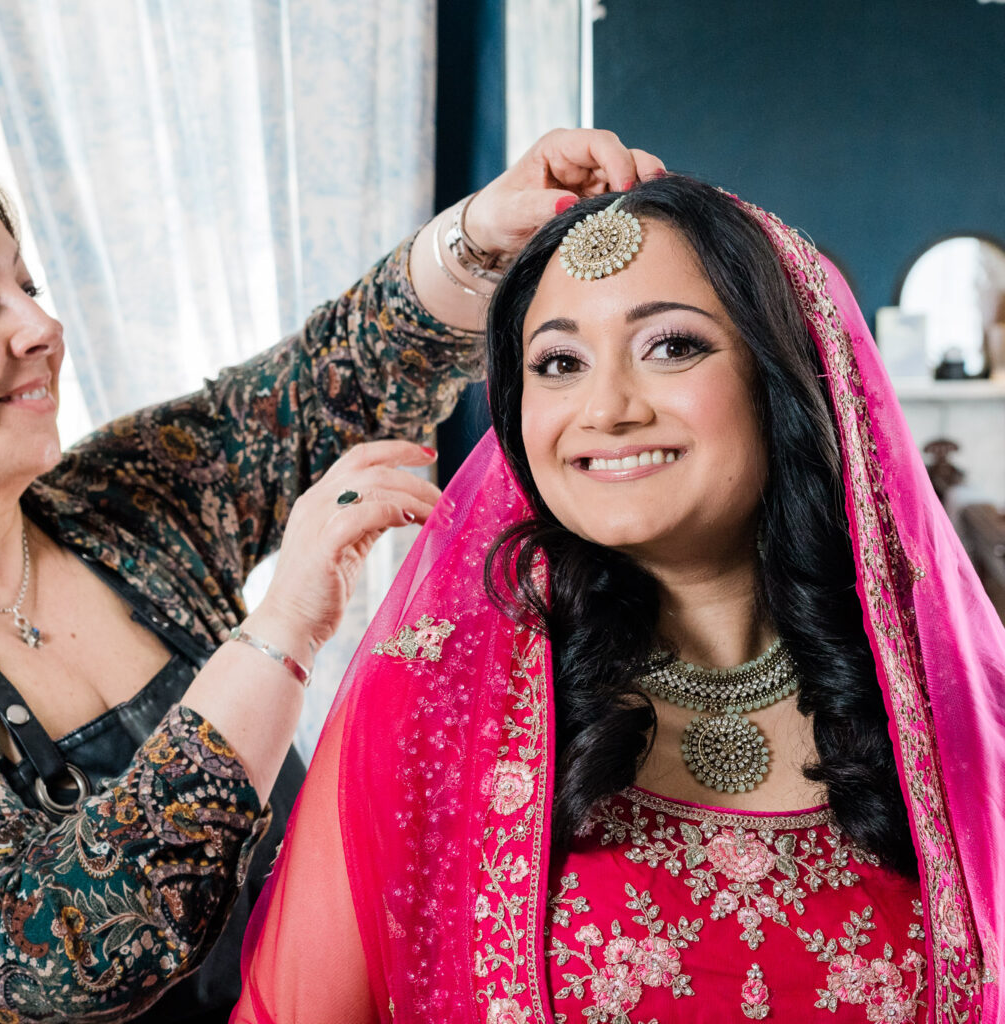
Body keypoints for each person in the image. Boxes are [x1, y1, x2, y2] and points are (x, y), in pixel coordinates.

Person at [0, 123, 663, 1021]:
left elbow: (326, 386)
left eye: (29, 286)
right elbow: (56, 945)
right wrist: (280, 632)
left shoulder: (121, 503)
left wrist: (483, 234)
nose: (39, 327)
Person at [233, 176, 1005, 1022]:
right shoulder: (432, 703)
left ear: (781, 375)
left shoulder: (945, 711)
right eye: (559, 363)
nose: (606, 409)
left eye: (671, 347)